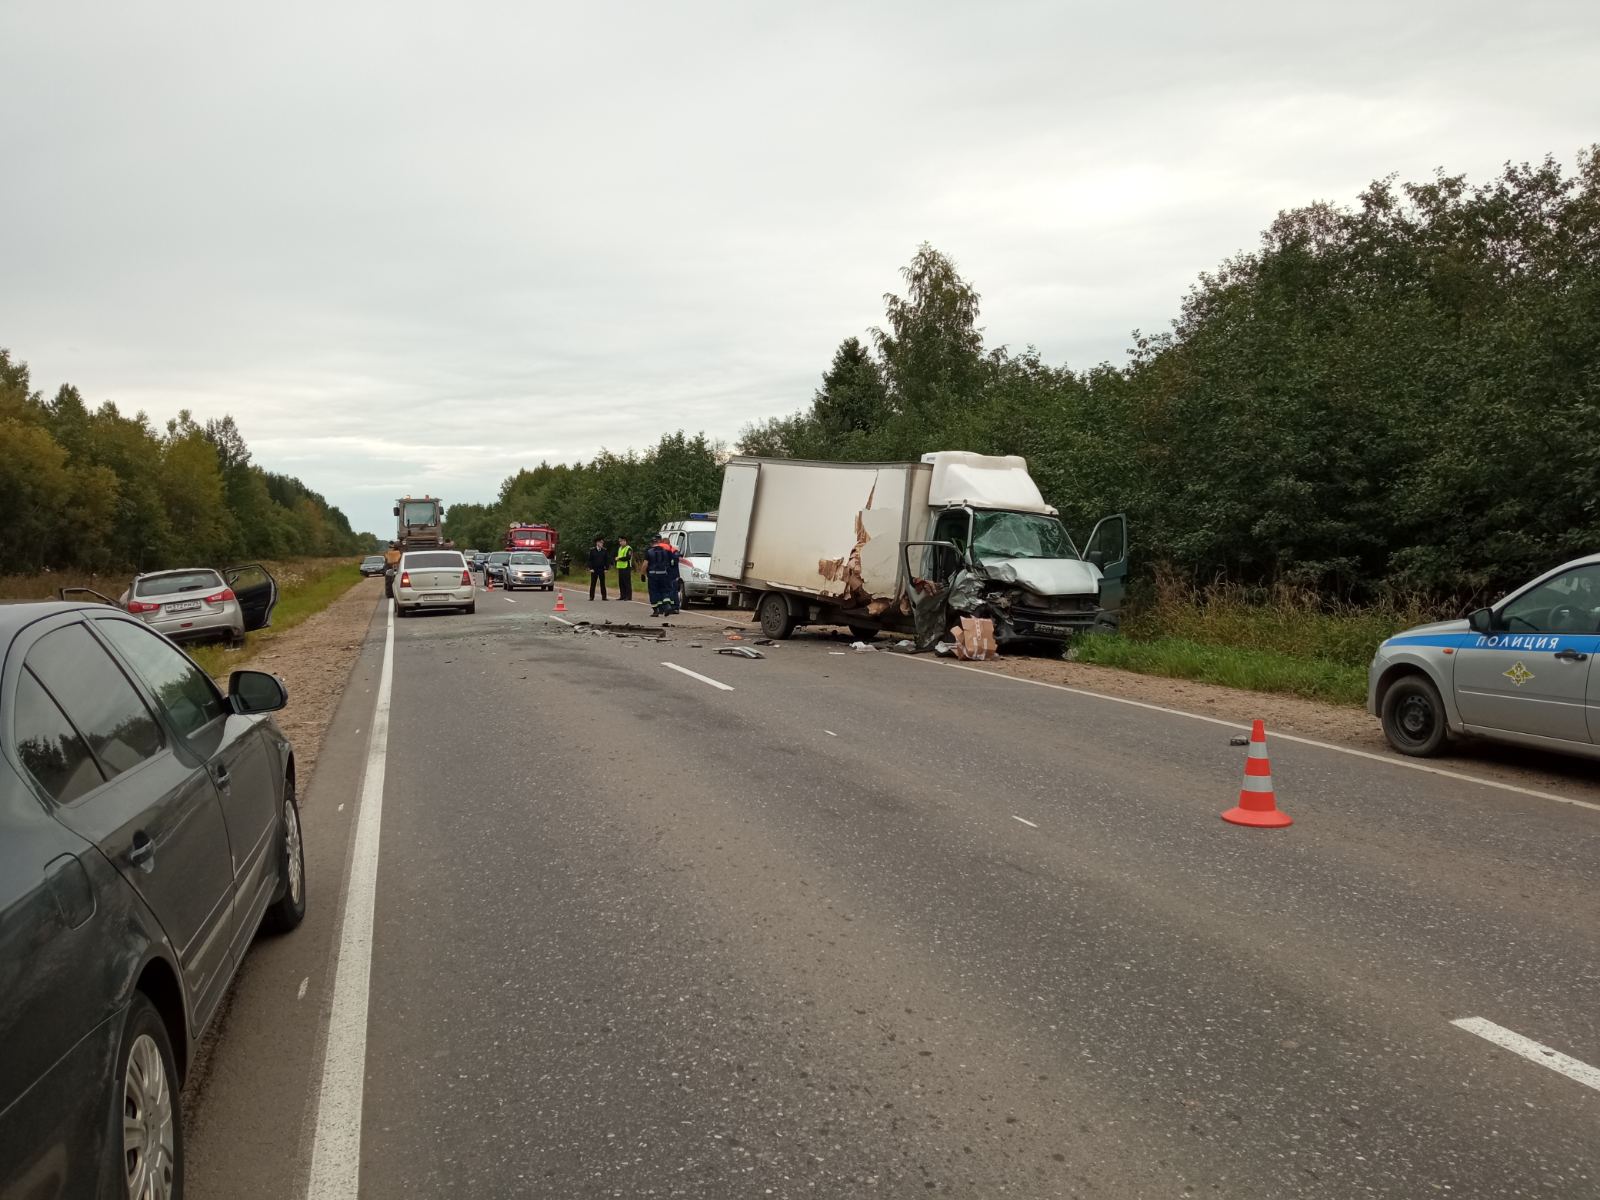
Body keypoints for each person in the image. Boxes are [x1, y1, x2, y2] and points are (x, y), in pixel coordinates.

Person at [643, 534, 681, 617]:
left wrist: (643, 574)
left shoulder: (649, 552)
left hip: (653, 575)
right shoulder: (667, 550)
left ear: (651, 543)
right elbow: (673, 561)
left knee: (654, 592)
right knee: (665, 591)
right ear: (658, 542)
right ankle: (667, 606)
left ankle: (656, 610)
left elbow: (645, 564)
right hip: (664, 574)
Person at [586, 536, 609, 601]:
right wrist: (590, 568)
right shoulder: (592, 550)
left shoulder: (604, 551)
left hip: (601, 569)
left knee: (603, 583)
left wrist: (606, 568)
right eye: (601, 543)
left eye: (602, 543)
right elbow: (589, 560)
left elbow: (606, 560)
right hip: (594, 569)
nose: (602, 544)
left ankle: (604, 597)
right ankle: (591, 597)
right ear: (597, 543)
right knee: (593, 583)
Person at [614, 536, 634, 601]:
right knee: (621, 582)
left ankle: (628, 596)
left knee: (627, 582)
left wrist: (619, 558)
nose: (620, 542)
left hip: (626, 567)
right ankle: (622, 595)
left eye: (621, 541)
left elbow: (628, 557)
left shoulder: (629, 548)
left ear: (625, 541)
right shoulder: (620, 548)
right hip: (620, 567)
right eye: (619, 541)